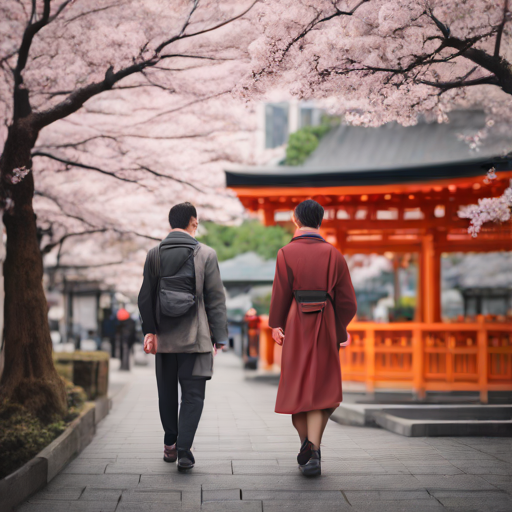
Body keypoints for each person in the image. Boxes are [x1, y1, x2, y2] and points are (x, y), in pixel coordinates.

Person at [269, 199, 357, 477]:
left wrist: (275, 324)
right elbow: (348, 302)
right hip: (326, 322)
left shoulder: (286, 252)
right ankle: (313, 451)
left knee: (297, 386)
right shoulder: (334, 254)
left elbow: (280, 293)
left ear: (296, 220)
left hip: (296, 324)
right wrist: (339, 327)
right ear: (321, 221)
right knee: (323, 387)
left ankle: (309, 449)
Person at [138, 202, 228, 471]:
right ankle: (185, 451)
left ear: (170, 224)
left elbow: (145, 297)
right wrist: (219, 335)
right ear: (194, 222)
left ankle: (170, 443)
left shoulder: (154, 254)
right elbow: (215, 299)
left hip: (164, 340)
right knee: (192, 395)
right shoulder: (206, 254)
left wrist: (150, 332)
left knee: (166, 393)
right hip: (196, 339)